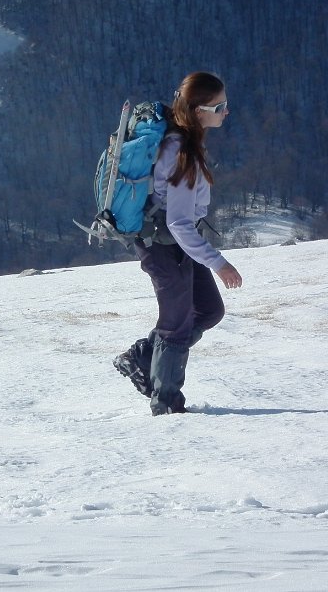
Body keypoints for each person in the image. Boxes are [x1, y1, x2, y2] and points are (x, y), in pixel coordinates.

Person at [113, 72, 243, 415]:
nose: (226, 112)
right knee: (176, 323)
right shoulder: (182, 153)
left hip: (172, 241)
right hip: (162, 243)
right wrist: (220, 263)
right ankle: (167, 404)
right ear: (200, 110)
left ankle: (140, 356)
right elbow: (179, 223)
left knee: (209, 311)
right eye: (221, 106)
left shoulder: (181, 137)